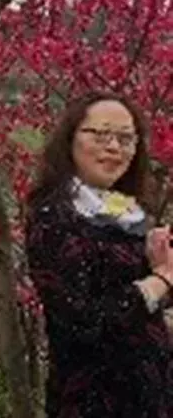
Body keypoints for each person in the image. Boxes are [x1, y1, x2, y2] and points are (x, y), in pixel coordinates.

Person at [25, 91, 173, 417]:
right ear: (71, 140)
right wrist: (161, 279)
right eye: (101, 135)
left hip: (151, 394)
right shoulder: (55, 218)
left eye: (126, 138)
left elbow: (141, 308)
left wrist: (160, 263)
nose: (114, 147)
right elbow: (82, 322)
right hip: (95, 399)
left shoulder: (129, 211)